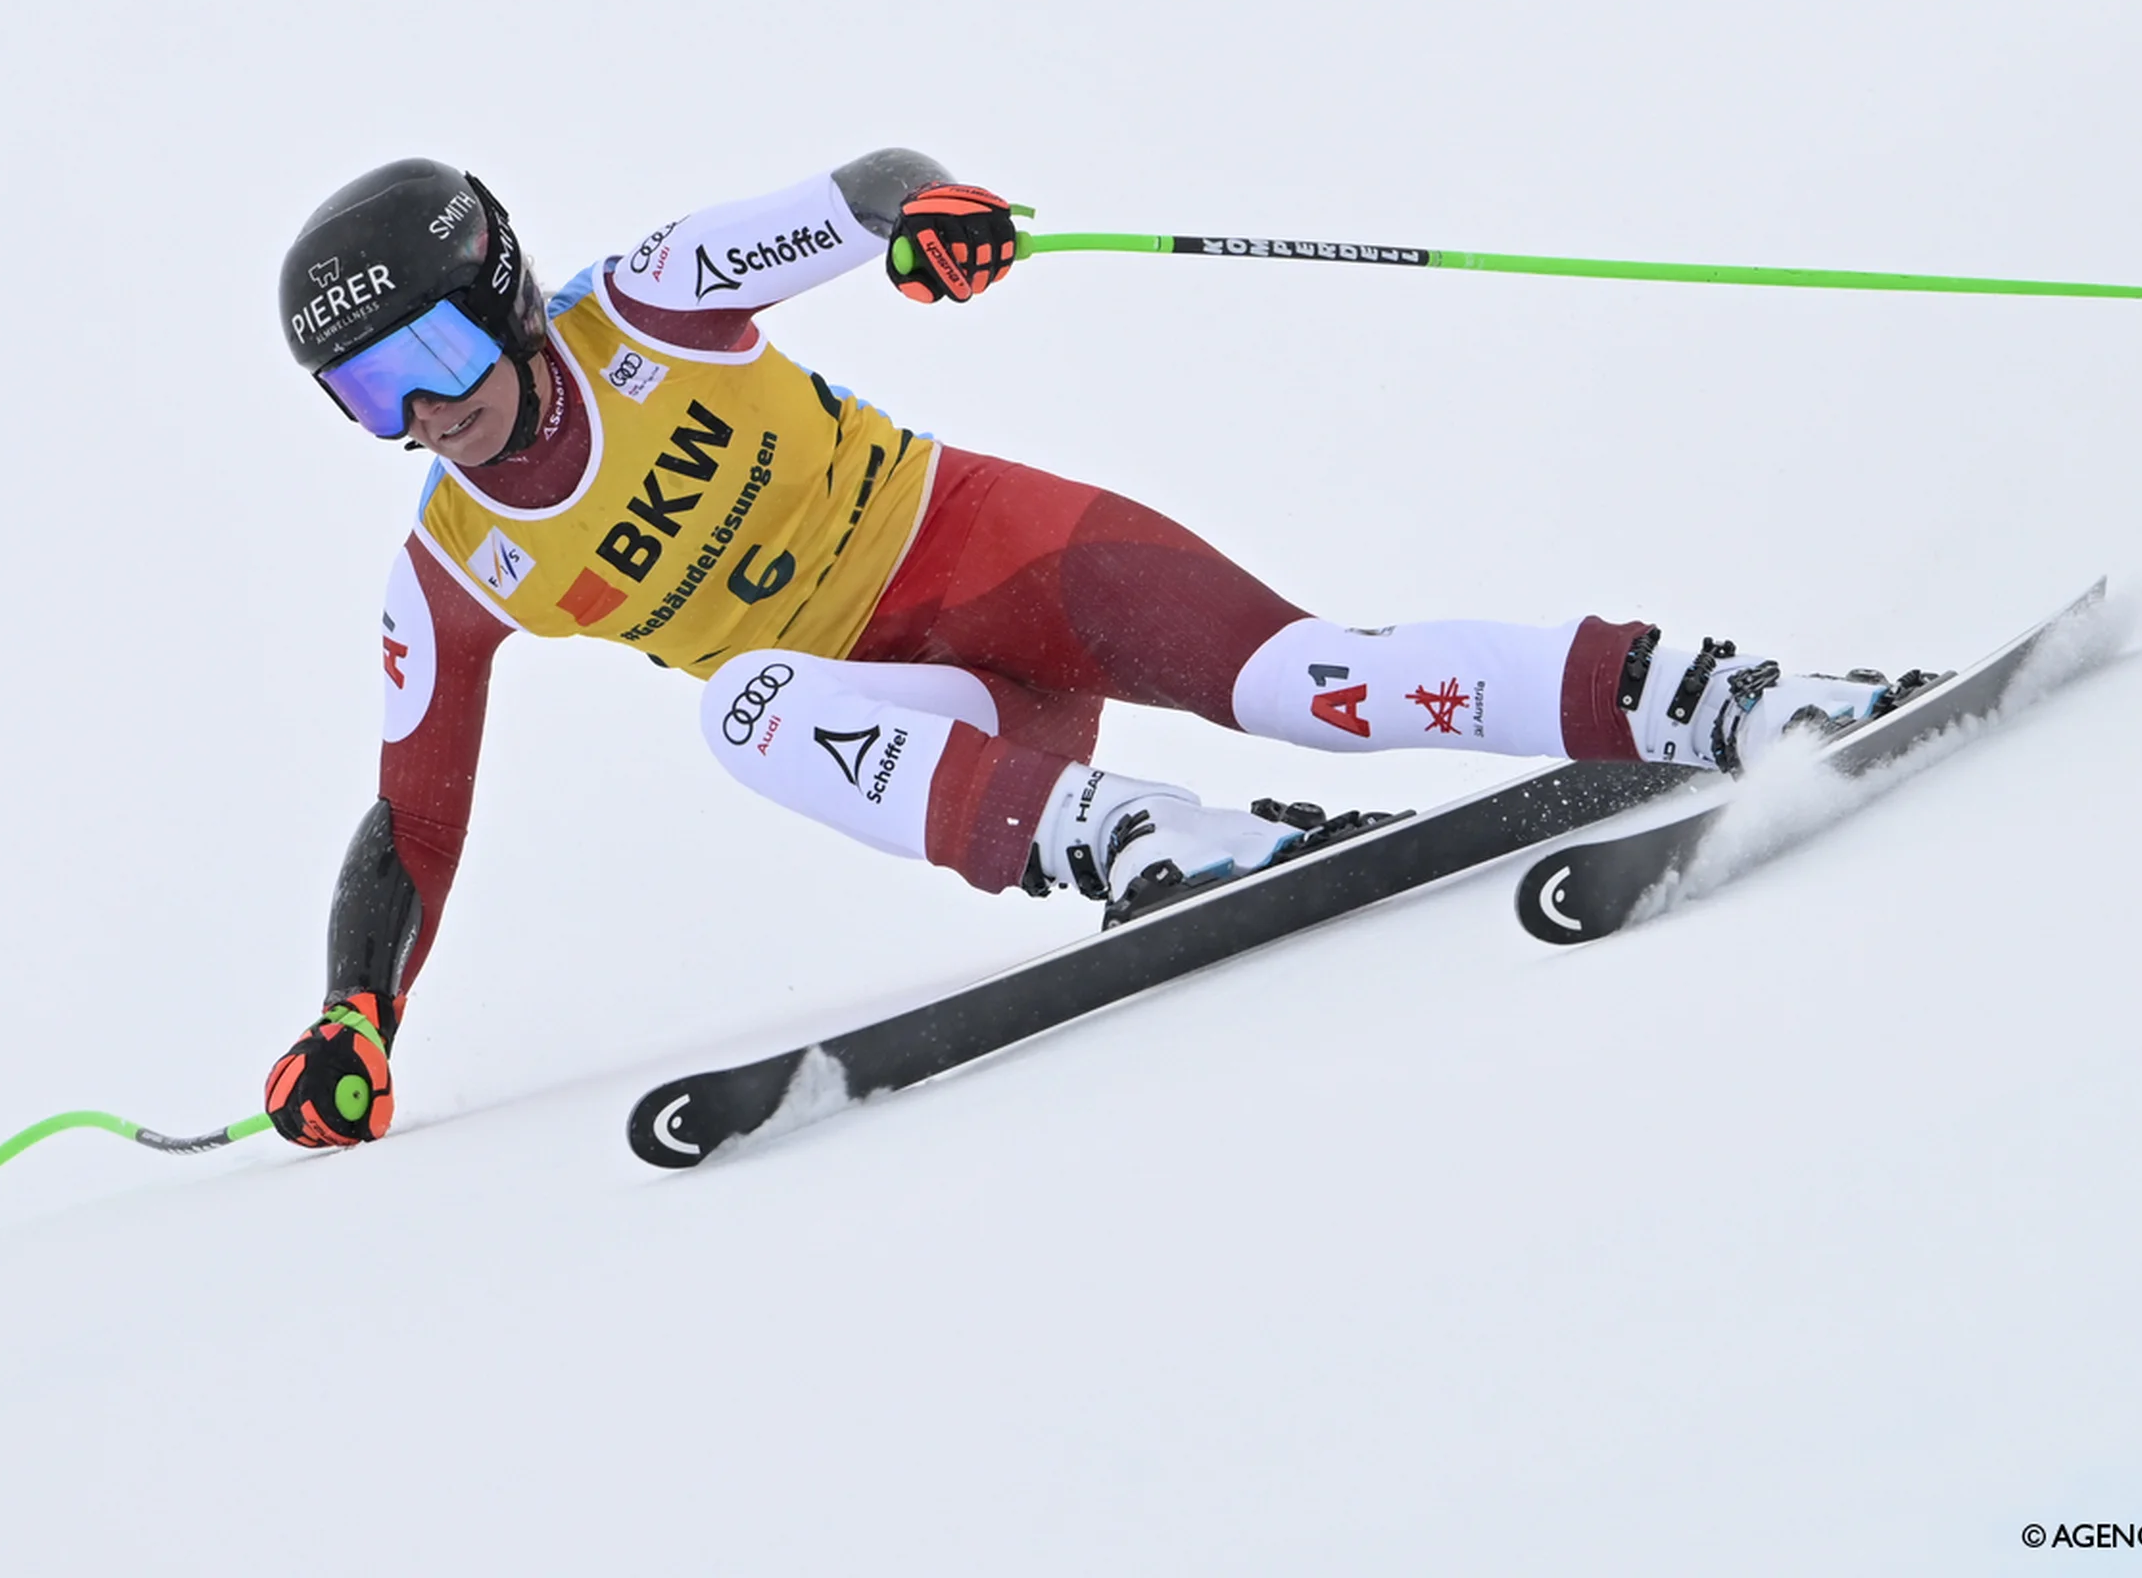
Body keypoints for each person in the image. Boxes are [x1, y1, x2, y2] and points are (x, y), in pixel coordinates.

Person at [259, 153, 1901, 1147]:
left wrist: (928, 221)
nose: (426, 412)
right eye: (368, 398)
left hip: (1004, 558)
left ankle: (1725, 695)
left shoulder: (653, 303)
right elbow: (414, 818)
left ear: (507, 290)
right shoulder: (454, 567)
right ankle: (1159, 850)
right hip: (950, 722)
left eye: (431, 350)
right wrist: (356, 1019)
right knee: (745, 708)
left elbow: (862, 193)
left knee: (1306, 682)